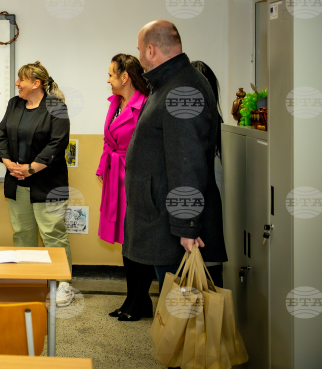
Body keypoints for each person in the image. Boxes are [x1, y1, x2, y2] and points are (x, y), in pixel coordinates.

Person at [125, 20, 227, 295]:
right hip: (164, 220)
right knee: (174, 307)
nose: (139, 57)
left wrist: (187, 225)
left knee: (182, 309)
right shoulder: (169, 83)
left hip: (174, 228)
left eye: (139, 50)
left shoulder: (181, 90)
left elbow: (187, 162)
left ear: (150, 50)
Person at [0, 61, 74, 307]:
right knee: (23, 232)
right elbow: (2, 135)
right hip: (16, 180)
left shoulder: (56, 107)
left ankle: (63, 284)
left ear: (36, 83)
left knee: (53, 234)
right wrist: (10, 164)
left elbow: (57, 143)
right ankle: (28, 279)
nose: (16, 83)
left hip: (47, 182)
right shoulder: (14, 104)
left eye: (21, 80)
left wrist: (30, 169)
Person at [96, 54, 152, 321]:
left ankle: (140, 300)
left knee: (137, 240)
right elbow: (109, 140)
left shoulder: (146, 105)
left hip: (136, 179)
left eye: (111, 74)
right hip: (115, 176)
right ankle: (132, 299)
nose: (108, 80)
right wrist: (102, 167)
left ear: (125, 77)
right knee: (126, 241)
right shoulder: (115, 103)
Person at [190, 60, 225, 287]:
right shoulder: (216, 121)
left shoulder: (209, 123)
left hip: (205, 203)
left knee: (207, 272)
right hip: (208, 202)